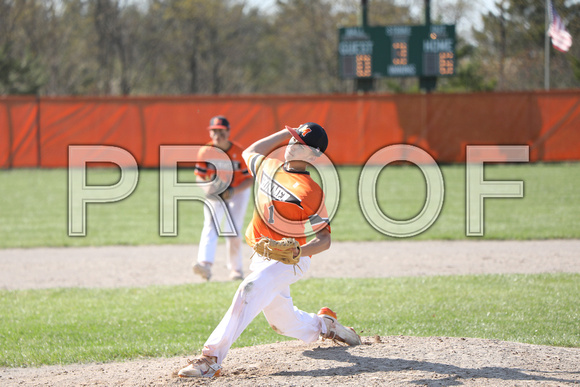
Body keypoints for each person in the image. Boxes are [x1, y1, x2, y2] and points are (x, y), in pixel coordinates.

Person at [178, 123, 361, 378]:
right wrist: (287, 133)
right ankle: (324, 324)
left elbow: (324, 240)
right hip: (262, 257)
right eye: (292, 139)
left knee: (249, 288)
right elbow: (249, 151)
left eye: (299, 143)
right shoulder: (268, 166)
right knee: (282, 324)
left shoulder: (311, 192)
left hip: (291, 261)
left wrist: (299, 252)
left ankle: (210, 359)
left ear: (313, 155)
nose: (291, 145)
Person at [193, 116, 253, 281]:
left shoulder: (238, 152)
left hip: (238, 191)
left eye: (221, 131)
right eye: (214, 131)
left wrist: (233, 191)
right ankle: (204, 265)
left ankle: (236, 270)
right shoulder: (205, 151)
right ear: (210, 133)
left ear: (228, 132)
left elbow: (250, 178)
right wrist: (207, 187)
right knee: (210, 225)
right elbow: (199, 176)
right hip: (216, 191)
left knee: (232, 229)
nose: (218, 135)